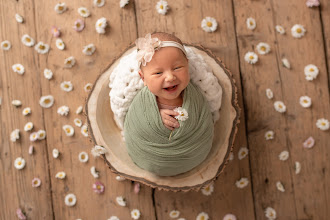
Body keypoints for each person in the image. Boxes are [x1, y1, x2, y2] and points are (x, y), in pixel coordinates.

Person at [124, 32, 214, 176]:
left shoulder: (194, 98)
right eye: (158, 73)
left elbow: (203, 120)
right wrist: (155, 118)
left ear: (187, 65)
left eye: (177, 68)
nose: (170, 77)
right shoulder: (143, 102)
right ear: (143, 78)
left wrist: (189, 122)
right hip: (150, 156)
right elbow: (135, 121)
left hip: (192, 153)